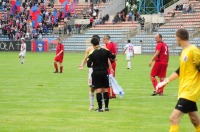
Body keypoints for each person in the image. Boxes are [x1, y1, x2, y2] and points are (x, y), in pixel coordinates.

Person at [156, 28, 200, 132]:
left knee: (173, 118)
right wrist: (164, 82)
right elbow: (179, 71)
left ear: (178, 38)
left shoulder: (193, 50)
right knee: (195, 120)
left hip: (190, 90)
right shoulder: (184, 51)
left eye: (175, 37)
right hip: (184, 90)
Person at [87, 37, 116, 112]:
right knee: (105, 89)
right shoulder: (105, 50)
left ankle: (100, 108)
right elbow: (114, 57)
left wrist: (94, 64)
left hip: (96, 72)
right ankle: (106, 107)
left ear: (92, 44)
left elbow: (89, 64)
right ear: (99, 42)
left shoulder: (92, 53)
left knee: (98, 90)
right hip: (104, 72)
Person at [79, 35, 100, 111]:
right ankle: (92, 105)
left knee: (100, 87)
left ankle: (101, 105)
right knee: (92, 87)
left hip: (100, 69)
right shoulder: (89, 49)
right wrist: (82, 65)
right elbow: (85, 59)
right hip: (91, 70)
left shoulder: (102, 49)